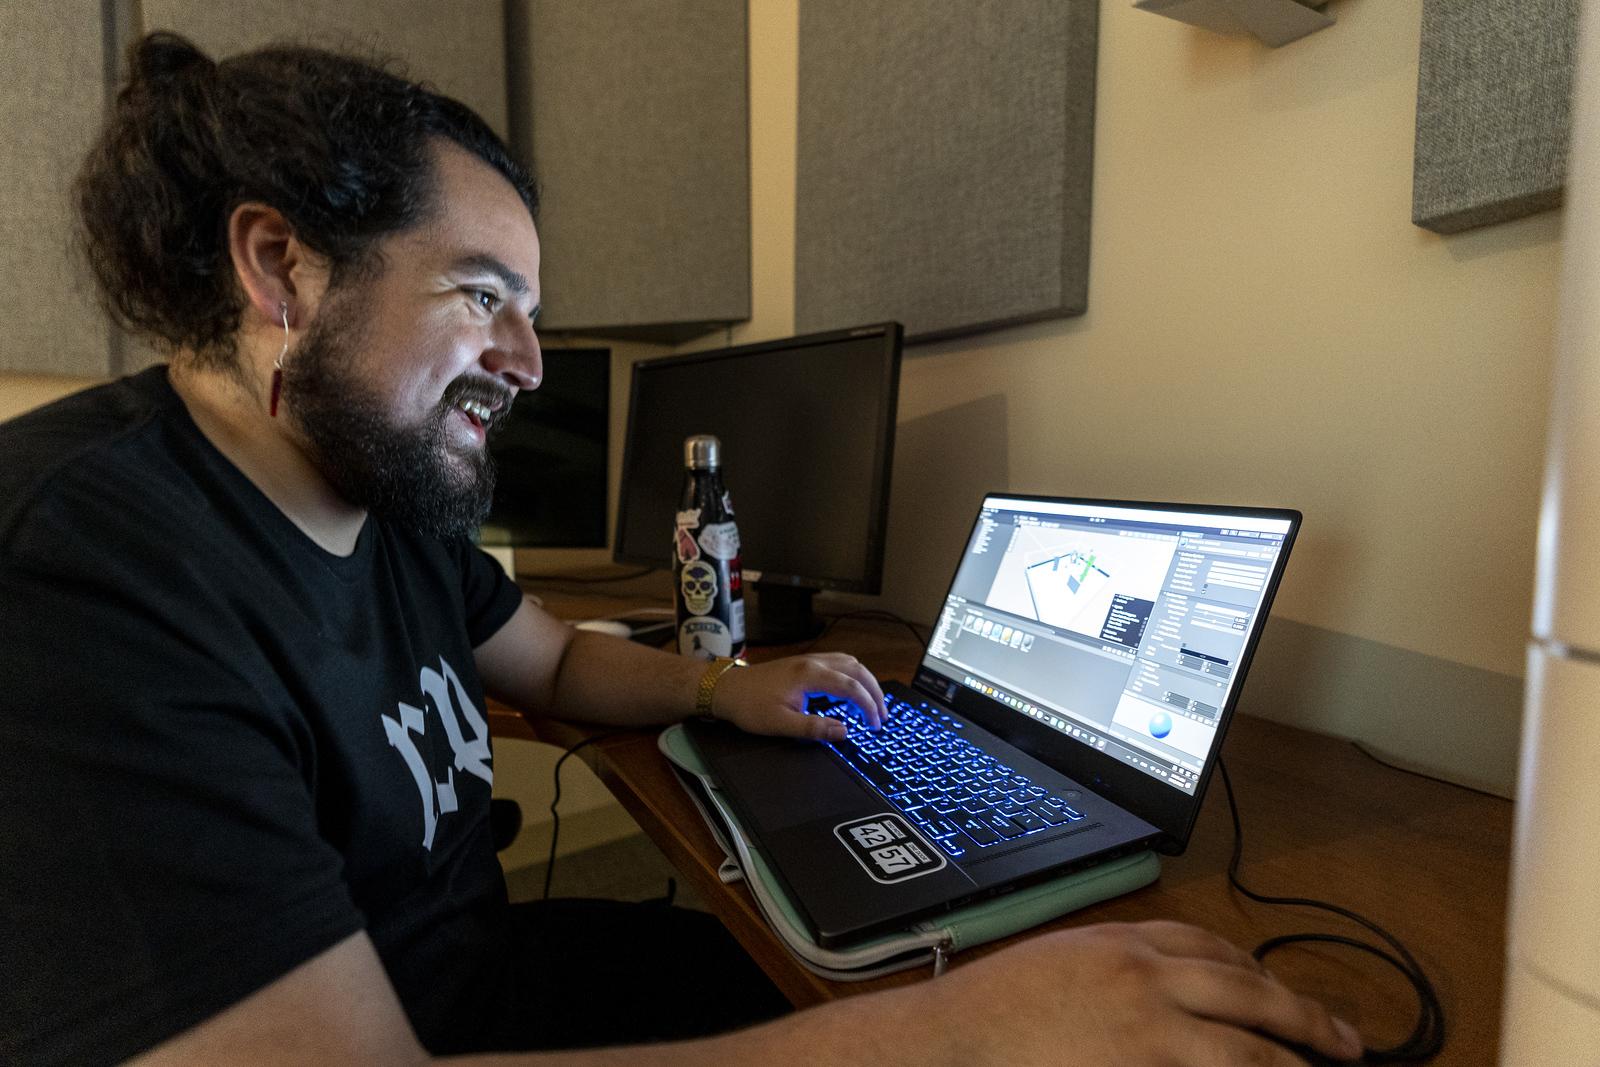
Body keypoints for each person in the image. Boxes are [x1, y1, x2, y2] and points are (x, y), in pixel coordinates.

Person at [0, 32, 1363, 1066]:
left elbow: (557, 661)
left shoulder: (381, 493)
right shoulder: (80, 579)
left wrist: (726, 690)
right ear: (278, 268)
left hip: (471, 969)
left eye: (529, 309)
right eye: (484, 296)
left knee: (817, 972)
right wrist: (961, 1038)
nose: (530, 362)